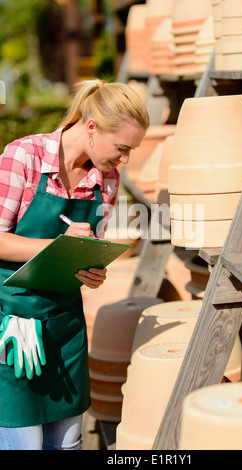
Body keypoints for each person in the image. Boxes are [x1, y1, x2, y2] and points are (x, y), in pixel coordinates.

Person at [0, 79, 149, 450]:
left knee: (68, 444)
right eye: (122, 148)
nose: (125, 159)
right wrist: (55, 246)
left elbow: (83, 251)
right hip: (14, 324)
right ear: (93, 128)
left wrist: (90, 269)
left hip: (66, 327)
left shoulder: (107, 178)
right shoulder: (23, 157)